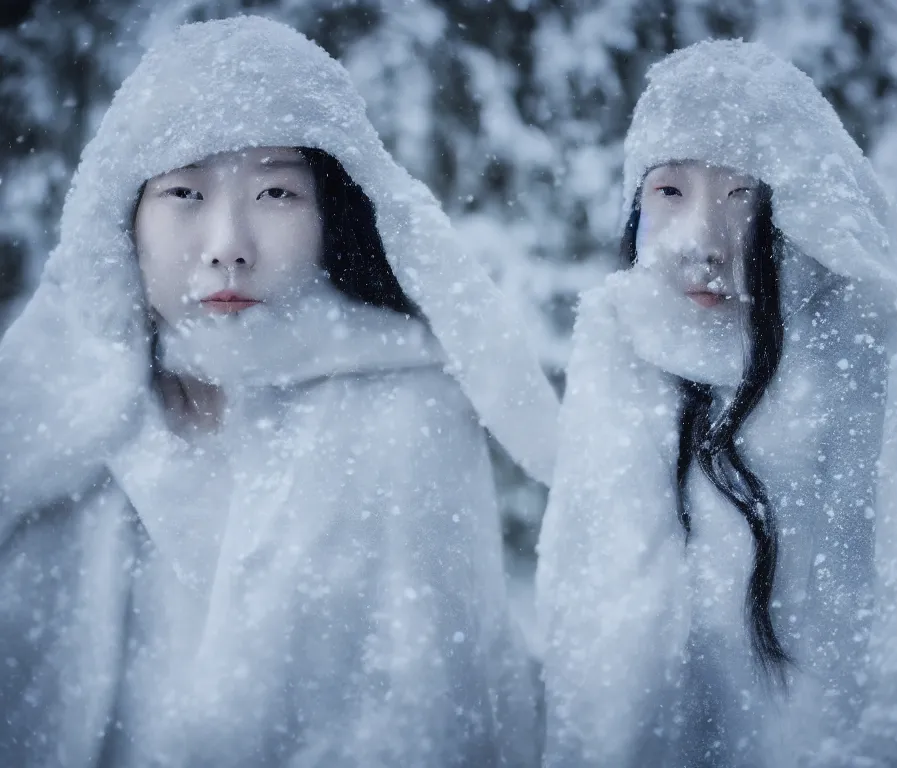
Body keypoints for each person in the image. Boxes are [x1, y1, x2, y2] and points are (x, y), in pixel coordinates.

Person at [0, 16, 558, 767]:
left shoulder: (407, 412)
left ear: (333, 211)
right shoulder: (55, 427)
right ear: (123, 217)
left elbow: (448, 705)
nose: (228, 241)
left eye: (274, 192)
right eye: (185, 191)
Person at [536, 40, 897, 768]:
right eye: (670, 191)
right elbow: (592, 628)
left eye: (743, 195)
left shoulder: (880, 361)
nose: (702, 241)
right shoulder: (621, 348)